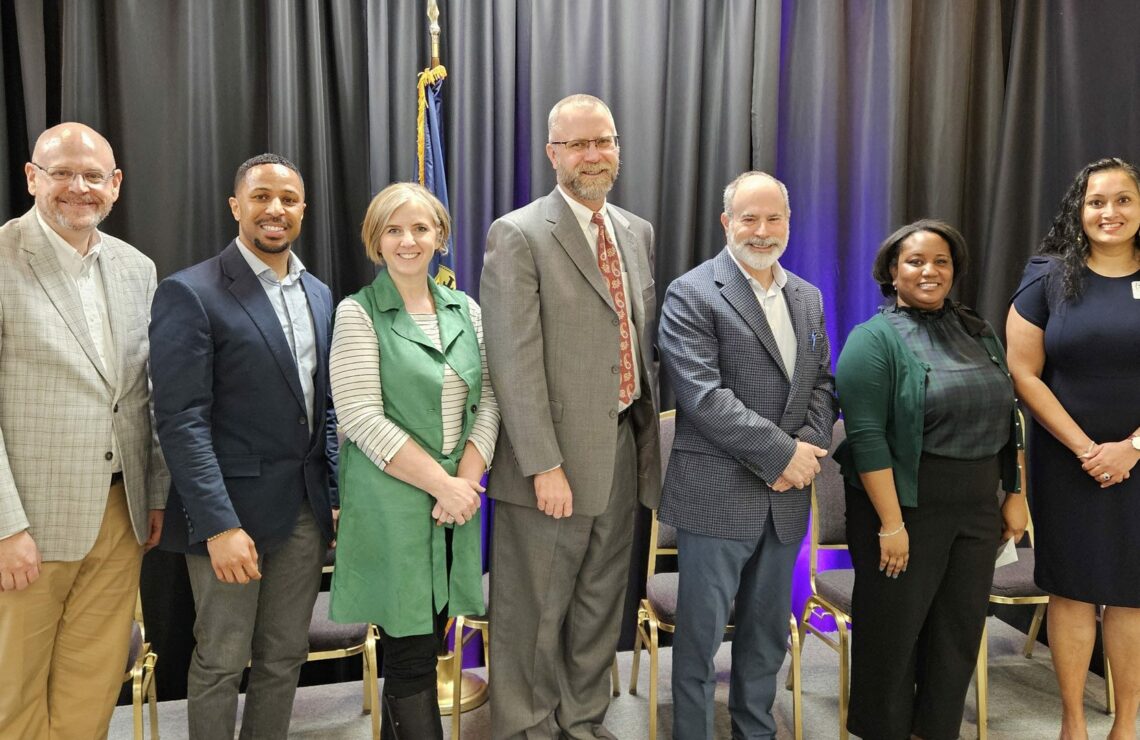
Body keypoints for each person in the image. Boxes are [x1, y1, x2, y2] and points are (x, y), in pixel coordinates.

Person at [480, 93, 662, 739]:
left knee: (597, 603)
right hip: (549, 464)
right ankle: (527, 727)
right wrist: (543, 464)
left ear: (616, 147)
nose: (592, 155)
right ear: (553, 153)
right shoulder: (519, 233)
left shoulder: (635, 231)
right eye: (577, 144)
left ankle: (583, 721)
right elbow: (512, 359)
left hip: (620, 448)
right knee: (534, 611)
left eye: (602, 141)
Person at [150, 153, 338, 739]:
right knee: (221, 659)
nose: (274, 209)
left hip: (304, 513)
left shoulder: (321, 294)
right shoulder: (192, 292)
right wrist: (218, 525)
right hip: (229, 518)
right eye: (260, 197)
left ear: (303, 210)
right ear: (236, 206)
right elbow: (180, 420)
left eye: (288, 198)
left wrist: (332, 493)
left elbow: (325, 408)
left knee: (284, 657)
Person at [0, 122, 168, 738]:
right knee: (11, 692)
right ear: (31, 178)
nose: (78, 188)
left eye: (93, 176)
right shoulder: (2, 257)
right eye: (61, 172)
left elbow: (144, 393)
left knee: (91, 688)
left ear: (115, 185)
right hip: (27, 529)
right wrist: (4, 526)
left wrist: (153, 494)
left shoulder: (137, 268)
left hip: (119, 516)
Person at [657, 171, 837, 738]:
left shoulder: (807, 296)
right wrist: (786, 456)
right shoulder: (692, 292)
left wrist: (805, 452)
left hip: (785, 502)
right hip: (716, 496)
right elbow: (703, 396)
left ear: (788, 221)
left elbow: (821, 385)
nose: (762, 231)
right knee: (699, 641)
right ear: (726, 223)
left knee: (766, 636)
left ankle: (754, 730)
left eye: (774, 218)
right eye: (749, 219)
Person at [835, 219, 1027, 740]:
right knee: (893, 637)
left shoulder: (978, 330)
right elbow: (868, 437)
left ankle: (937, 730)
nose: (929, 271)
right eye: (915, 261)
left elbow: (1007, 414)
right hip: (904, 506)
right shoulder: (872, 339)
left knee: (957, 633)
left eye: (941, 261)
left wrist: (1014, 493)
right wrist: (892, 523)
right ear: (892, 272)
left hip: (976, 506)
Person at [327, 182, 499, 738]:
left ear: (440, 237)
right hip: (396, 504)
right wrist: (443, 487)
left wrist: (467, 485)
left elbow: (489, 401)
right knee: (410, 652)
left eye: (420, 228)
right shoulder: (357, 314)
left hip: (456, 505)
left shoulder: (465, 309)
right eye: (393, 230)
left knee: (434, 638)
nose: (408, 240)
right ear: (375, 241)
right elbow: (359, 418)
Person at [1006, 157, 1140, 740]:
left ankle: (1128, 723)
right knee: (1073, 590)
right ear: (1078, 211)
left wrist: (1132, 448)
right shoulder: (1047, 277)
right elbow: (1024, 372)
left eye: (1122, 200)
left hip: (1139, 459)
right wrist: (1089, 449)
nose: (1108, 212)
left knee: (1133, 595)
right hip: (1067, 459)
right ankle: (1073, 723)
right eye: (1096, 202)